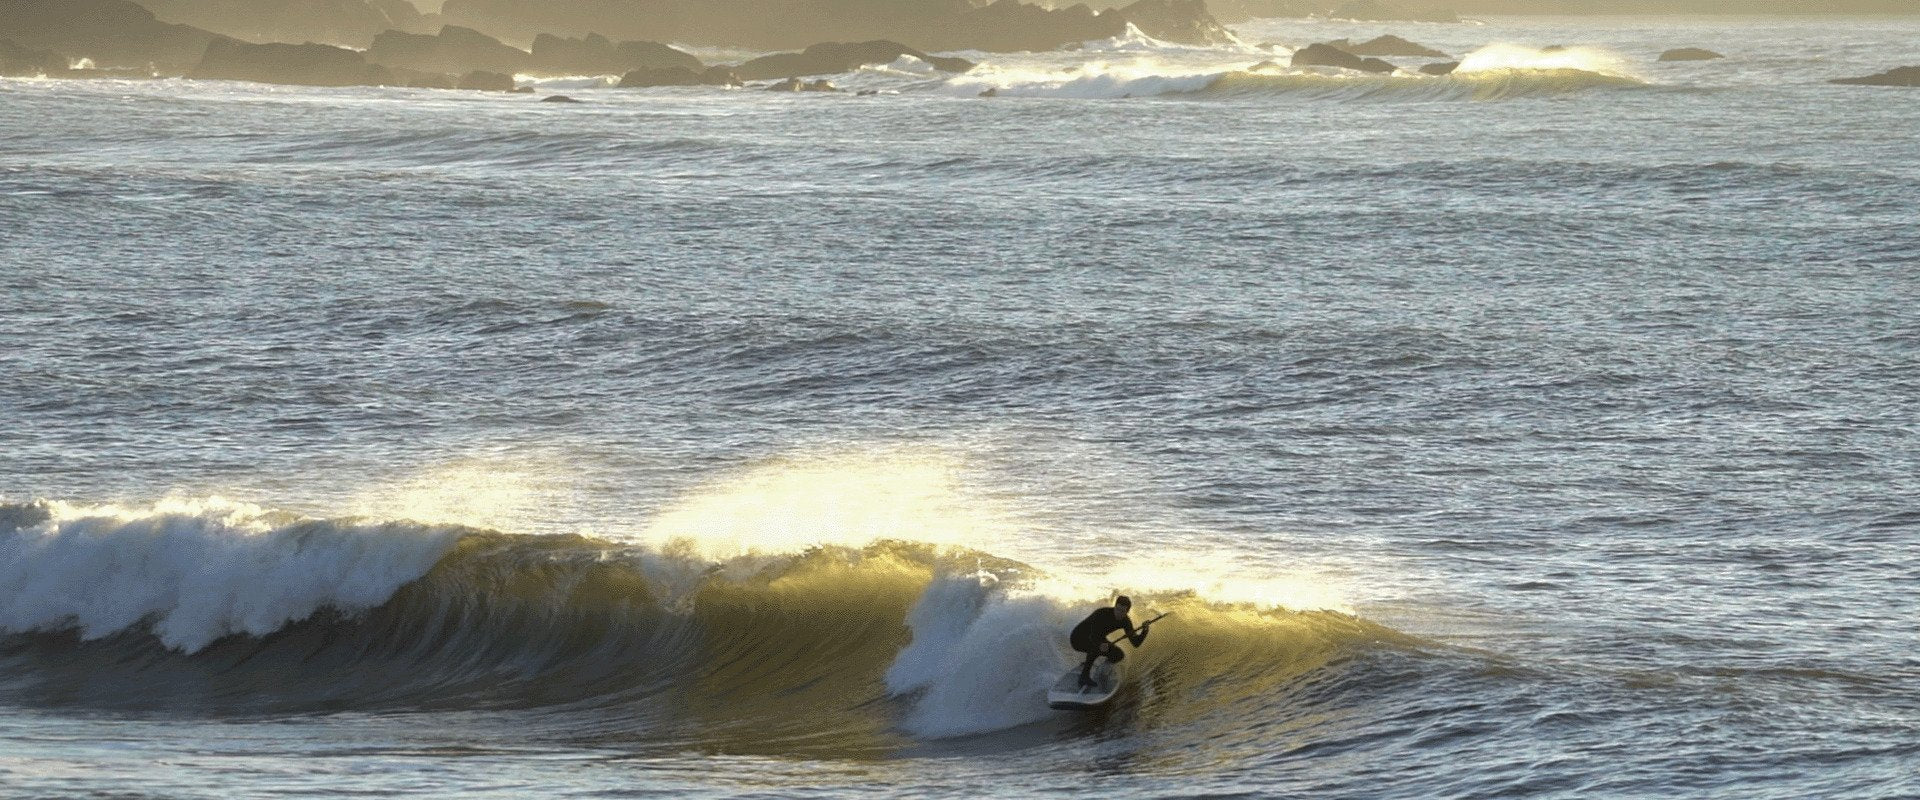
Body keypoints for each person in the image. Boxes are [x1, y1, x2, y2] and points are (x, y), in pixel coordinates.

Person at [1069, 595, 1148, 689]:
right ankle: (1084, 676)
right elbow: (1093, 636)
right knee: (1097, 648)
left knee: (1118, 655)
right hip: (1078, 638)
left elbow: (1135, 643)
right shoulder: (1102, 614)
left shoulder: (1126, 621)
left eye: (1122, 611)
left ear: (1127, 612)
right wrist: (1100, 644)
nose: (1118, 613)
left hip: (1096, 638)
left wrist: (1144, 631)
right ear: (1115, 607)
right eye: (1117, 609)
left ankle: (1103, 669)